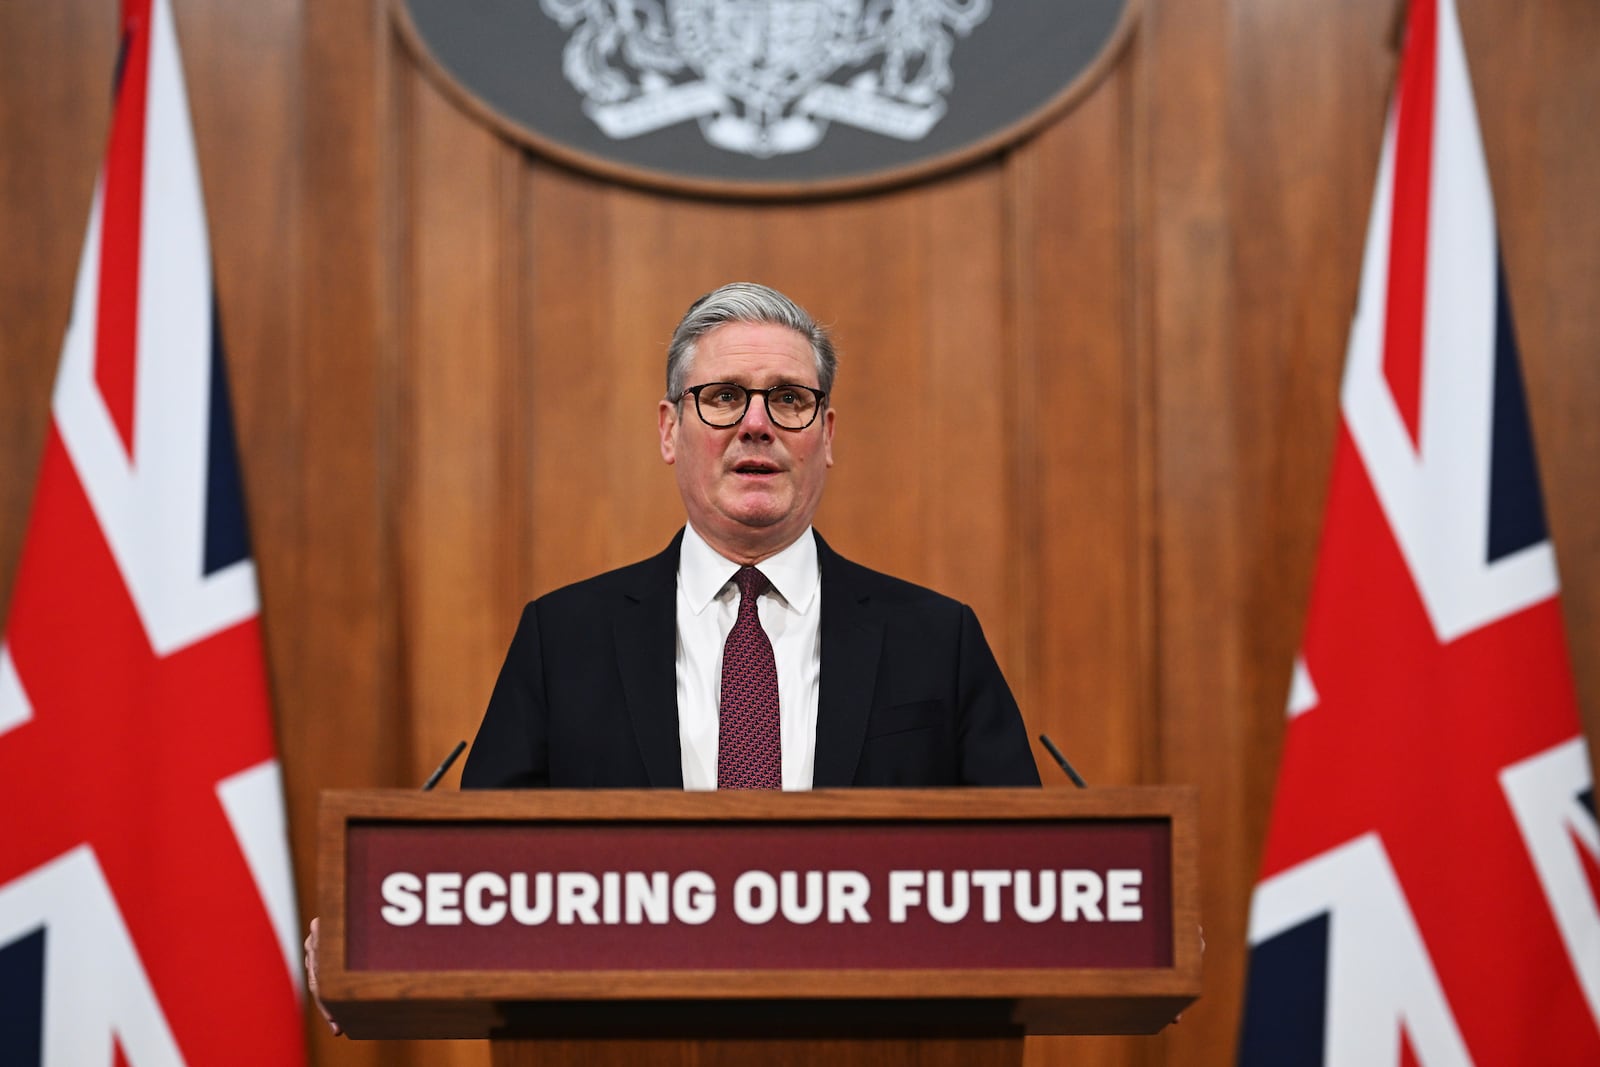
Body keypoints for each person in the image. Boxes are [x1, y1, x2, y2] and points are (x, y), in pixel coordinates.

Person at [305, 282, 1038, 1033]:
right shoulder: (564, 640)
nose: (757, 424)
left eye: (789, 399)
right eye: (723, 396)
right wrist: (386, 920)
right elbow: (489, 879)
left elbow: (1030, 882)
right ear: (668, 429)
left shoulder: (934, 638)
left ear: (827, 433)